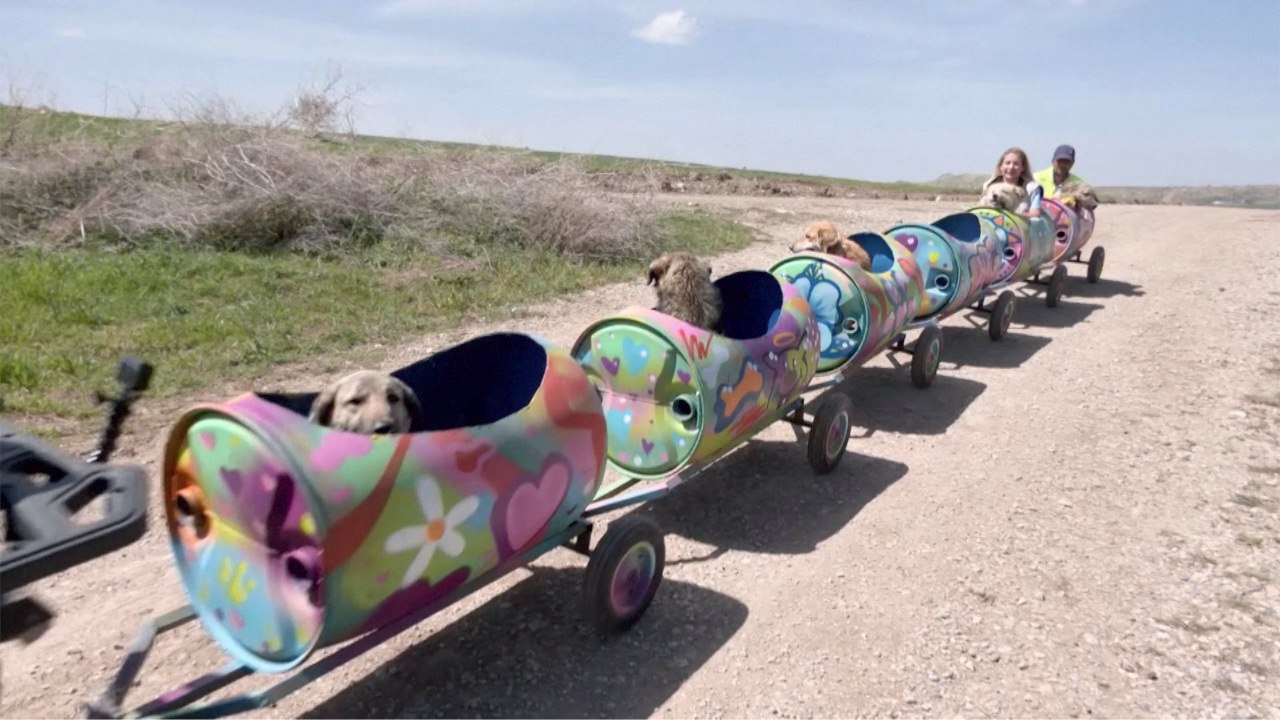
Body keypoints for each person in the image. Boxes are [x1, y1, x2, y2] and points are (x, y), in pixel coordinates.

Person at [980, 146, 1043, 216]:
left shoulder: (1032, 188)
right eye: (1007, 163)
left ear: (1022, 168)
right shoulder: (989, 185)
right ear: (1001, 166)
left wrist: (1017, 217)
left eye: (1016, 164)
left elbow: (1035, 214)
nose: (1011, 167)